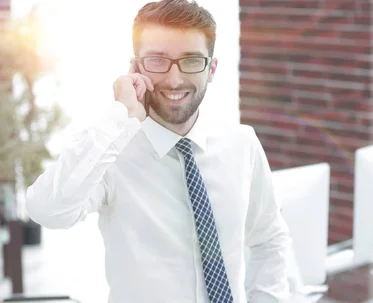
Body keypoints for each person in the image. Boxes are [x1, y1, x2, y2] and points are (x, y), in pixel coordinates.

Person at [25, 0, 291, 302]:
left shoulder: (242, 144)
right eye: (157, 61)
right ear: (135, 68)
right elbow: (46, 209)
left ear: (212, 68)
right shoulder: (111, 153)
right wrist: (120, 115)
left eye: (191, 60)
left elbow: (268, 238)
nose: (174, 80)